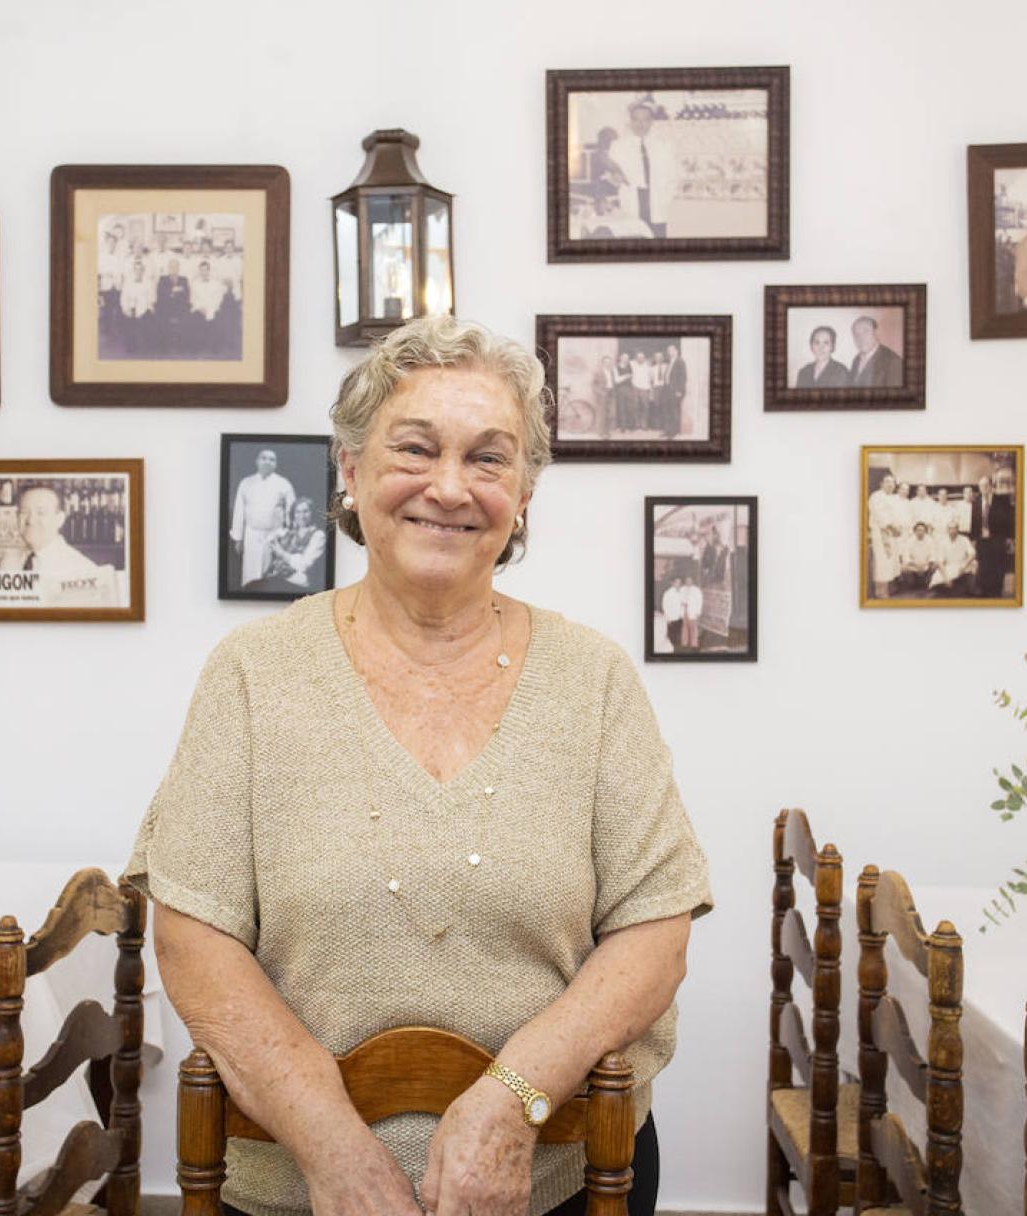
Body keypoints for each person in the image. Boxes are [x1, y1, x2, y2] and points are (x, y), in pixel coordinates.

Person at [124, 315, 709, 1216]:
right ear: (351, 474)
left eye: (488, 457)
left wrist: (510, 1104)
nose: (449, 486)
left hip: (564, 1180)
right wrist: (332, 1149)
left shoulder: (592, 678)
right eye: (415, 449)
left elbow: (655, 930)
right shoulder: (251, 675)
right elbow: (193, 937)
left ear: (523, 494)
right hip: (298, 1188)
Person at [13, 483, 123, 605]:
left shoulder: (83, 571)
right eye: (24, 512)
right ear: (16, 517)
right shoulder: (10, 561)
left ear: (59, 519)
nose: (30, 520)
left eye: (41, 512)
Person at [608, 98, 677, 237]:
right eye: (636, 120)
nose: (641, 124)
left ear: (652, 122)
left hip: (657, 200)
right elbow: (608, 177)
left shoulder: (664, 146)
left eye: (645, 120)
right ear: (630, 122)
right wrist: (614, 179)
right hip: (631, 200)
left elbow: (673, 176)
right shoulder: (618, 146)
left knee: (658, 243)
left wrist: (666, 198)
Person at [229, 448, 297, 586]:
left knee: (270, 576)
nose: (267, 462)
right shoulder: (246, 483)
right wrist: (239, 538)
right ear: (257, 461)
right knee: (251, 575)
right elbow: (239, 511)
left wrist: (288, 536)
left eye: (272, 459)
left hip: (275, 535)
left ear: (276, 464)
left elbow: (292, 511)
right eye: (264, 458)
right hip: (252, 535)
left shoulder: (284, 484)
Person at [256, 497, 329, 593]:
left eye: (305, 511)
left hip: (298, 582)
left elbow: (304, 565)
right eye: (297, 512)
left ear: (312, 513)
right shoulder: (289, 533)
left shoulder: (318, 536)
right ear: (293, 515)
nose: (301, 516)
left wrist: (281, 553)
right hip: (278, 578)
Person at [973, 471, 1015, 598]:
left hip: (997, 539)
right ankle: (984, 591)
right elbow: (973, 521)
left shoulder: (1001, 499)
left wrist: (1010, 538)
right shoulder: (977, 500)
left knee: (997, 565)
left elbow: (1009, 519)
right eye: (981, 486)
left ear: (991, 486)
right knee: (983, 566)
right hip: (982, 539)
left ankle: (996, 591)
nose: (983, 488)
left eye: (985, 486)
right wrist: (973, 539)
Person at [866, 472, 906, 598]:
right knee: (882, 563)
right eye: (887, 481)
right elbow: (880, 515)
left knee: (891, 563)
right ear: (881, 483)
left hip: (893, 535)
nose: (890, 484)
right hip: (881, 533)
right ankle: (880, 592)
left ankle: (888, 588)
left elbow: (897, 517)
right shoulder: (876, 496)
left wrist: (898, 527)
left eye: (892, 482)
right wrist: (892, 527)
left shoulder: (893, 498)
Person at [849, 316, 904, 388]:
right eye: (856, 334)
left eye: (865, 332)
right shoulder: (856, 360)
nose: (861, 338)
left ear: (876, 332)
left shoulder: (893, 361)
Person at [933, 520, 979, 597]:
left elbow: (972, 554)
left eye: (955, 528)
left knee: (974, 564)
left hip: (963, 565)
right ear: (947, 530)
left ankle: (967, 587)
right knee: (938, 581)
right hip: (949, 566)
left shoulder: (964, 539)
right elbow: (940, 561)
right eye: (950, 528)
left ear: (958, 529)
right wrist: (946, 577)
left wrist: (964, 565)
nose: (952, 531)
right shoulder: (942, 541)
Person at [661, 343, 687, 437]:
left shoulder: (680, 361)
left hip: (675, 391)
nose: (670, 352)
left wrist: (679, 390)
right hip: (667, 389)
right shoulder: (670, 361)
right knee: (667, 410)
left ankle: (674, 432)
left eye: (672, 350)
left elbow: (683, 377)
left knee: (674, 411)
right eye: (669, 350)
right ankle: (667, 431)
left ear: (676, 351)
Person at [659, 575, 687, 652]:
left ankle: (678, 650)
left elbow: (682, 604)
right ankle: (673, 651)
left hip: (679, 617)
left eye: (680, 582)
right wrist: (667, 618)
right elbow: (665, 606)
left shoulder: (681, 592)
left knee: (679, 636)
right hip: (671, 618)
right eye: (677, 582)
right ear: (672, 583)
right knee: (672, 637)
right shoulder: (668, 593)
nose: (679, 584)